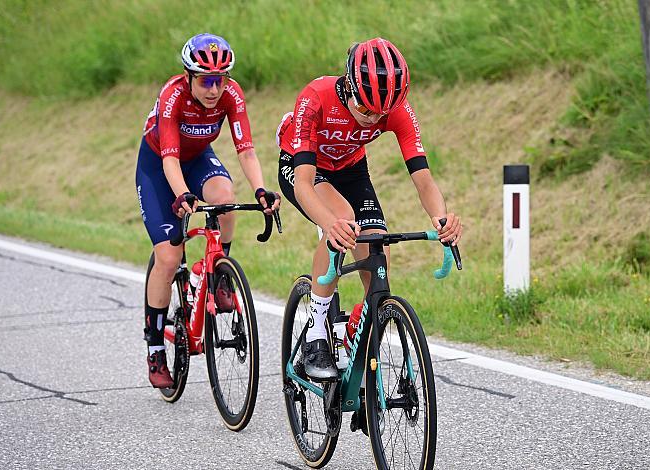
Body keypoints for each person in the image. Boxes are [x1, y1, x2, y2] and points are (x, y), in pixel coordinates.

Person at [276, 38, 462, 381]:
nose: (373, 119)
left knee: (376, 247)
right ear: (349, 86)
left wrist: (441, 219)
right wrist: (329, 224)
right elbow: (303, 185)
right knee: (343, 221)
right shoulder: (316, 98)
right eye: (367, 111)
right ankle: (316, 334)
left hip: (350, 168)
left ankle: (356, 332)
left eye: (381, 115)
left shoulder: (395, 108)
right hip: (304, 166)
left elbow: (423, 179)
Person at [136, 33, 280, 388]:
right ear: (188, 77)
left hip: (198, 157)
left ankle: (218, 275)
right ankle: (155, 349)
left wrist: (261, 189)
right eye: (205, 81)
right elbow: (169, 159)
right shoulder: (172, 96)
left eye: (220, 79)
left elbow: (245, 151)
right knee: (169, 259)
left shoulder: (231, 95)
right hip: (159, 165)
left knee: (226, 198)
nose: (214, 89)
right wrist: (183, 194)